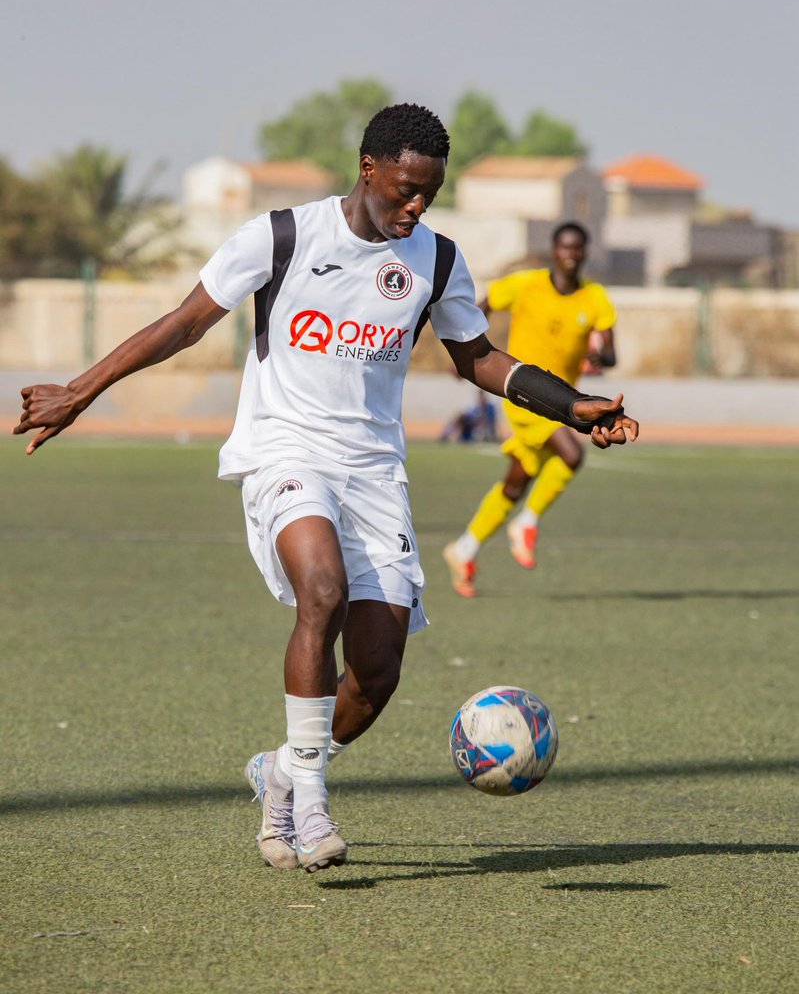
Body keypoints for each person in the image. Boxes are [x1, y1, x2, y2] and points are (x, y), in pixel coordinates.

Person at [13, 105, 638, 873]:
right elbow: (183, 323)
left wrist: (572, 404)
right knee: (322, 590)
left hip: (374, 471)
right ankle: (306, 801)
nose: (415, 207)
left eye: (429, 195)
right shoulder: (281, 236)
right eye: (405, 189)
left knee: (376, 672)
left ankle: (280, 768)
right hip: (284, 448)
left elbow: (476, 357)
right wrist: (81, 390)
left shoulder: (436, 260)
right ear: (368, 167)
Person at [443, 222, 617, 598]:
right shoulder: (527, 284)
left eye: (577, 248)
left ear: (585, 253)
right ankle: (528, 523)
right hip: (522, 396)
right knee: (571, 455)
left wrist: (600, 354)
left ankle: (464, 549)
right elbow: (486, 302)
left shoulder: (595, 298)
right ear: (554, 251)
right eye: (564, 247)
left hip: (559, 399)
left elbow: (611, 353)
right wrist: (465, 349)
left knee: (516, 482)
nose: (570, 254)